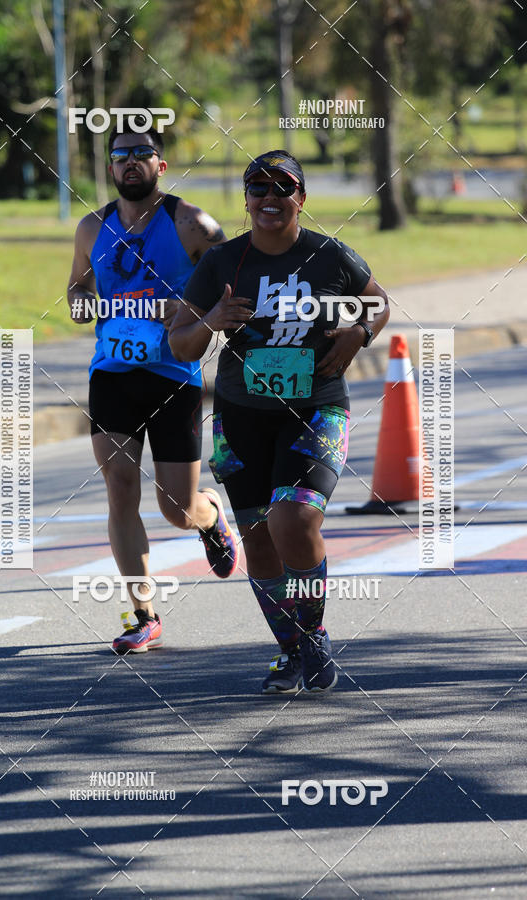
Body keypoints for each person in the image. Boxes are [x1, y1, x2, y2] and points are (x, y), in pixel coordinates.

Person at [169, 150, 389, 693]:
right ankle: (290, 651)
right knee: (259, 538)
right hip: (242, 415)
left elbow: (378, 304)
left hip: (315, 407)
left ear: (301, 198)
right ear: (246, 201)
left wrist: (361, 332)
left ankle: (313, 635)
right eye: (258, 189)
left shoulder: (330, 256)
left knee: (293, 522)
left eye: (282, 188)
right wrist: (212, 322)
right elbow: (179, 343)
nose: (270, 199)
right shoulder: (221, 262)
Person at [67, 124, 239, 654]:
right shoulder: (92, 227)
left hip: (173, 377)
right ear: (111, 168)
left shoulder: (191, 223)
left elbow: (236, 280)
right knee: (120, 488)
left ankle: (209, 514)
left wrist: (191, 311)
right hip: (111, 375)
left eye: (143, 155)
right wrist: (82, 305)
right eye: (122, 156)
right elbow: (77, 286)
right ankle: (143, 613)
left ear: (161, 166)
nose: (132, 163)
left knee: (176, 509)